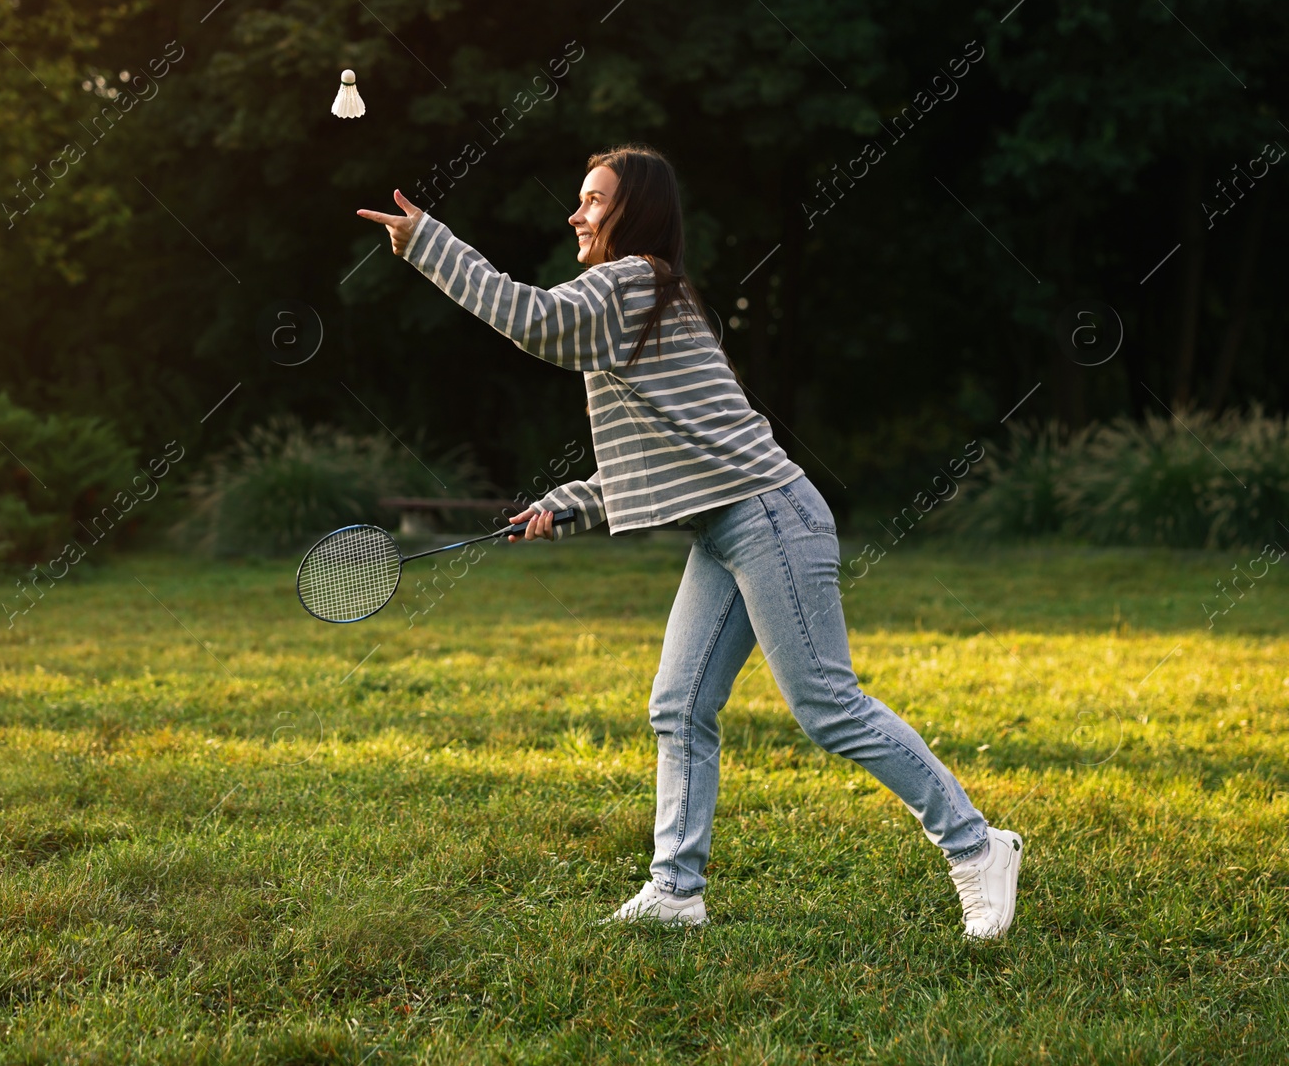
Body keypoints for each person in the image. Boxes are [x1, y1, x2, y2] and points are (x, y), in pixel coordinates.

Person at [357, 143, 1023, 939]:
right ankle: (675, 889)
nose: (576, 213)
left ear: (633, 212)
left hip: (769, 515)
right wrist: (567, 503)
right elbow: (665, 462)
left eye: (593, 200)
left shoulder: (631, 282)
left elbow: (529, 320)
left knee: (826, 707)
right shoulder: (645, 303)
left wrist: (430, 242)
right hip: (727, 525)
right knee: (679, 705)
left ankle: (978, 845)